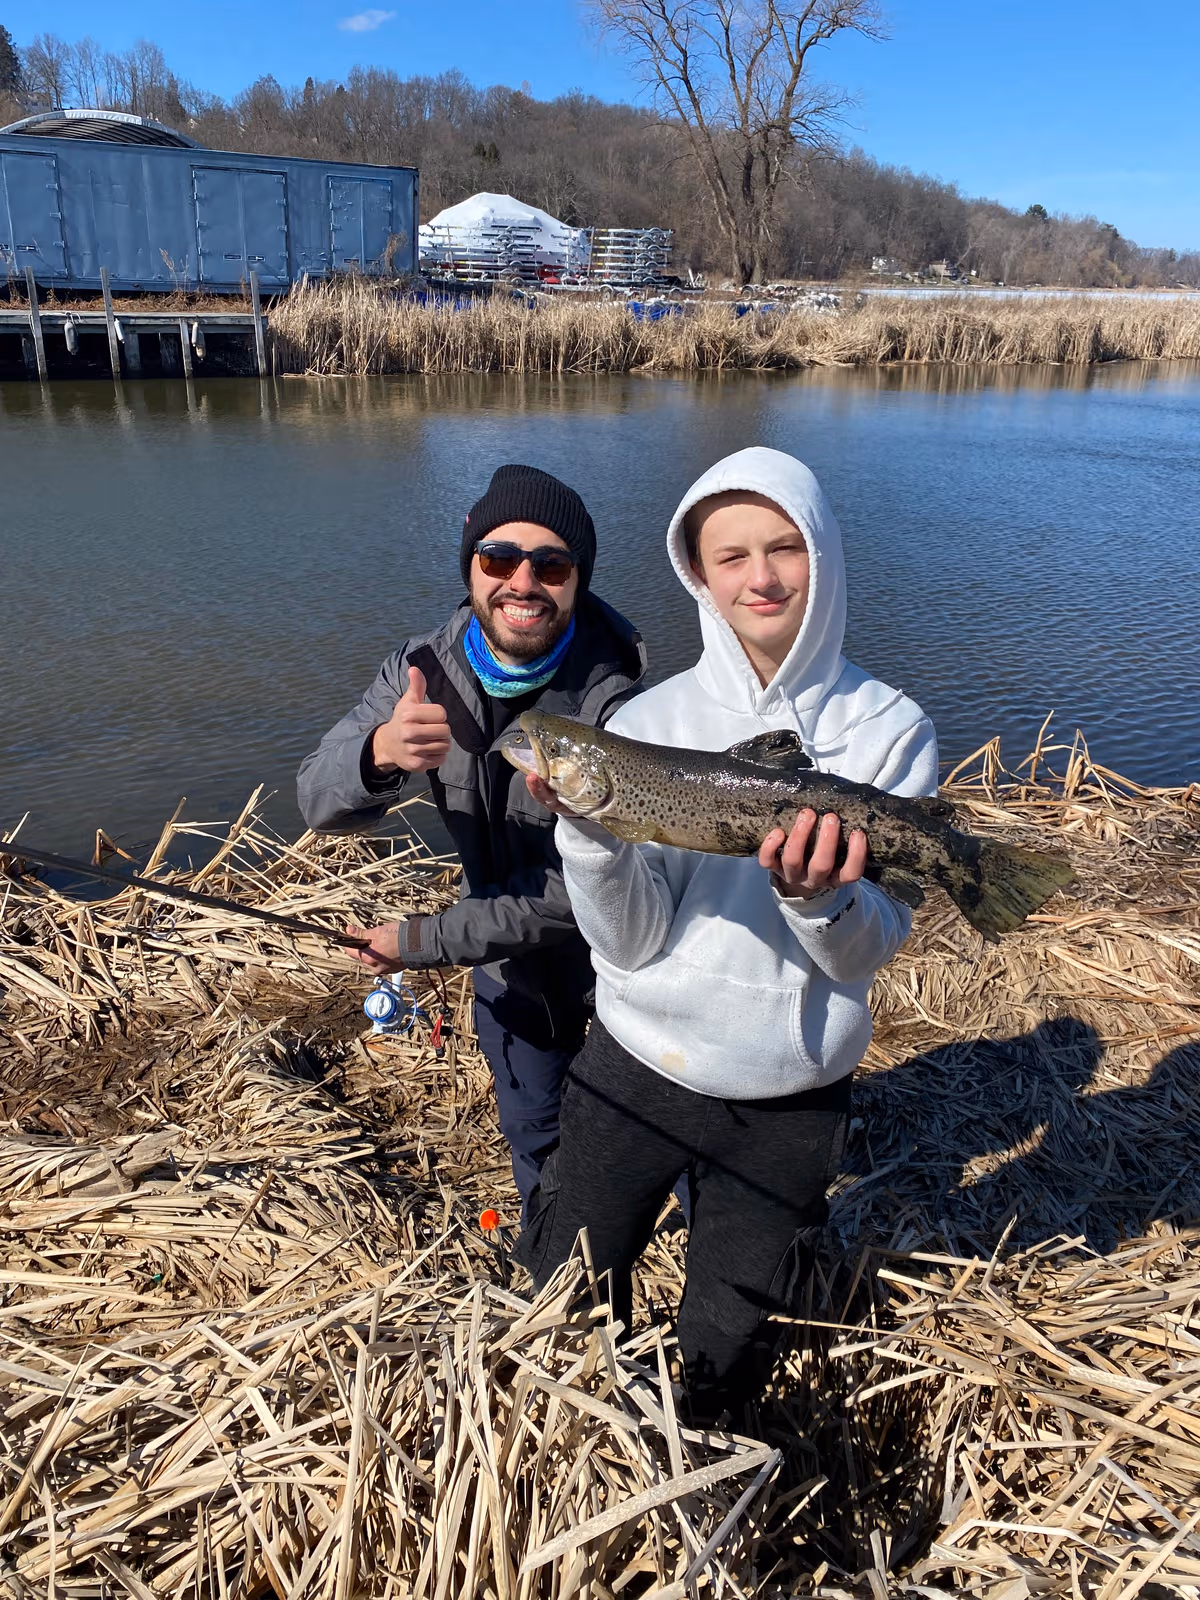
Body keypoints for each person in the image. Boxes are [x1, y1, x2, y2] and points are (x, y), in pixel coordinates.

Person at [515, 446, 939, 1420]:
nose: (762, 576)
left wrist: (818, 899)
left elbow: (869, 949)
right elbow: (627, 947)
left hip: (790, 1096)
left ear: (822, 554)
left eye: (784, 547)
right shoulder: (653, 719)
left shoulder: (891, 728)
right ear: (698, 576)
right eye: (732, 555)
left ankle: (705, 1463)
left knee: (728, 1339)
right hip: (635, 1066)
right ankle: (570, 1436)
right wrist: (589, 836)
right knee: (560, 1291)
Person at [297, 464, 646, 1210]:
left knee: (638, 1138)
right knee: (535, 1132)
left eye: (551, 565)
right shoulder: (419, 671)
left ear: (578, 580)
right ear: (471, 566)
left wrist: (421, 940)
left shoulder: (618, 703)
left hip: (622, 966)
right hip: (506, 973)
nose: (523, 582)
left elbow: (575, 894)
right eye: (499, 558)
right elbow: (317, 802)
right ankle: (554, 1255)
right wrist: (380, 755)